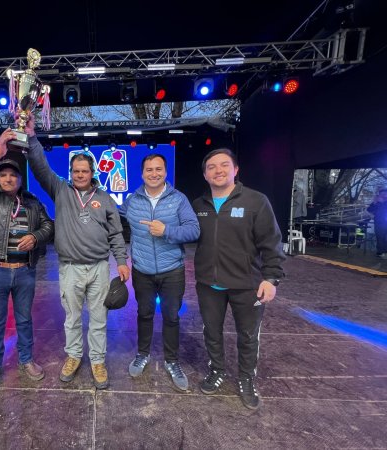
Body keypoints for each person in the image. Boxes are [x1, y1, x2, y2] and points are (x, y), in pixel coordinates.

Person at [19, 115, 130, 390]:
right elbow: (40, 167)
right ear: (70, 172)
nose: (80, 175)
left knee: (99, 318)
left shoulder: (105, 199)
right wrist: (31, 137)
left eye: (85, 171)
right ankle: (73, 356)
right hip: (69, 268)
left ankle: (98, 360)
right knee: (72, 318)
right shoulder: (60, 190)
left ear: (92, 173)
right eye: (76, 171)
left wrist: (122, 261)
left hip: (99, 268)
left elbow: (116, 234)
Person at [192, 148, 285, 410]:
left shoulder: (256, 201)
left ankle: (246, 379)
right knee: (212, 332)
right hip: (209, 284)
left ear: (235, 170)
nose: (218, 170)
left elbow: (272, 242)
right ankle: (217, 371)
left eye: (224, 165)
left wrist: (271, 278)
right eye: (211, 167)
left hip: (247, 284)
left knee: (248, 336)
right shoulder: (198, 206)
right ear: (205, 174)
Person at [0, 136, 54, 392]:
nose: (8, 179)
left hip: (25, 271)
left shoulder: (32, 202)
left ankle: (26, 360)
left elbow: (49, 226)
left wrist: (35, 237)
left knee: (24, 319)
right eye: (3, 175)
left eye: (13, 175)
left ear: (20, 179)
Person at [119, 154, 200, 391]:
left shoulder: (178, 199)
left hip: (172, 270)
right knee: (144, 314)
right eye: (149, 170)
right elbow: (111, 216)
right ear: (142, 173)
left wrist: (167, 230)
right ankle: (142, 354)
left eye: (158, 169)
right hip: (142, 270)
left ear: (165, 172)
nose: (154, 174)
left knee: (171, 317)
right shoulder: (132, 200)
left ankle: (172, 361)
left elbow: (194, 230)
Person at [367, 187, 387, 259]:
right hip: (379, 222)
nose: (384, 195)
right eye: (382, 193)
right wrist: (375, 203)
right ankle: (381, 252)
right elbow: (369, 209)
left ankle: (384, 252)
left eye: (385, 193)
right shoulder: (377, 202)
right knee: (380, 237)